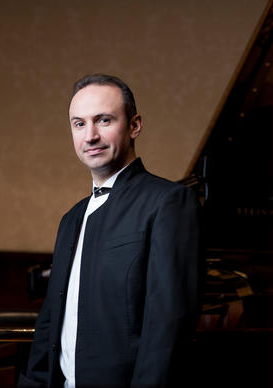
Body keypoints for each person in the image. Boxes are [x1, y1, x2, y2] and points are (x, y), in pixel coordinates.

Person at [19, 74, 200, 387]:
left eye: (103, 120)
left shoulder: (168, 202)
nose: (90, 136)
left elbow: (168, 327)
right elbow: (50, 320)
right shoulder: (71, 218)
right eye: (79, 124)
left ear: (134, 126)